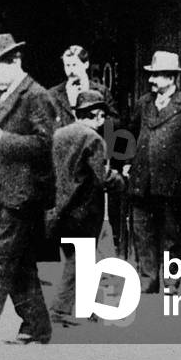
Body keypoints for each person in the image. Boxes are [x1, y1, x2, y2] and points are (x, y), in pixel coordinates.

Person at [0, 34, 56, 345]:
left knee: (1, 260)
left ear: (15, 62)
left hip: (25, 195)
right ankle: (37, 326)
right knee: (21, 266)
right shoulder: (5, 96)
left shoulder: (36, 96)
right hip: (5, 193)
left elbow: (46, 145)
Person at [126, 51, 181, 294]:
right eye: (151, 76)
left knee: (171, 236)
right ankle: (147, 280)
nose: (151, 81)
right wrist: (126, 163)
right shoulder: (143, 103)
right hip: (142, 182)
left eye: (157, 76)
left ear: (171, 78)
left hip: (172, 185)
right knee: (142, 232)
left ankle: (171, 283)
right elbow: (128, 133)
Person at [47, 90, 125, 326]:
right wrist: (122, 180)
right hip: (84, 211)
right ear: (98, 115)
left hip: (59, 210)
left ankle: (88, 307)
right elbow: (102, 176)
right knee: (79, 262)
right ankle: (60, 310)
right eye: (102, 117)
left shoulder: (58, 135)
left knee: (78, 260)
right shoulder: (94, 139)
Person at [47, 45, 123, 253]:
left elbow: (116, 122)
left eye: (75, 65)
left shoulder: (101, 91)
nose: (71, 70)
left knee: (92, 213)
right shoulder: (54, 93)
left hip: (92, 157)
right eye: (67, 65)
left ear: (86, 64)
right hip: (67, 160)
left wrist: (94, 118)